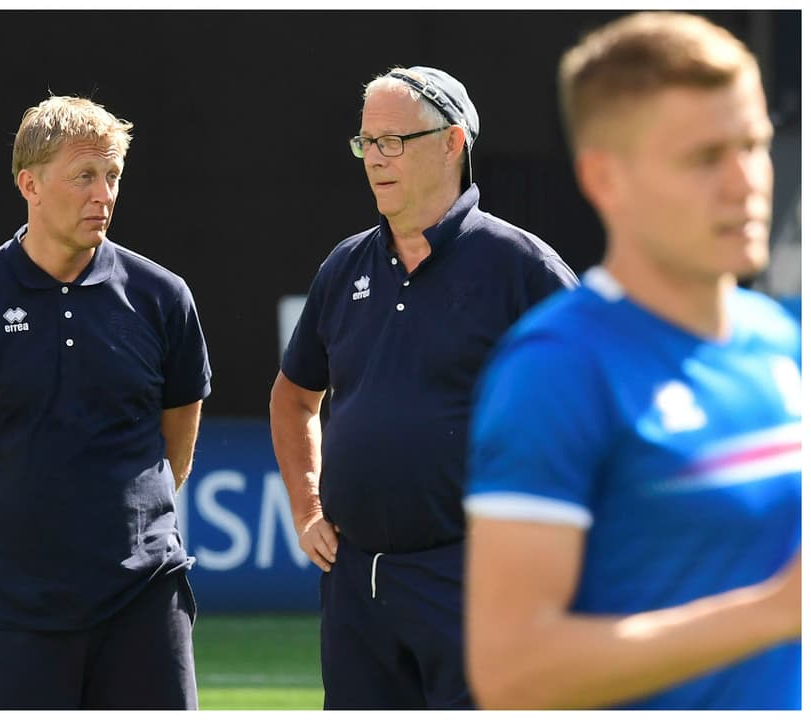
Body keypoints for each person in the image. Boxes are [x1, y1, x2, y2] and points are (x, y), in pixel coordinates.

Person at [463, 11, 801, 710]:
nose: (746, 182)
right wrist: (775, 610)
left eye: (755, 145)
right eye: (705, 158)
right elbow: (511, 676)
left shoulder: (781, 337)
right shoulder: (555, 370)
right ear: (604, 180)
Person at [270, 66, 577, 710]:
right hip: (354, 583)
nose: (376, 160)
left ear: (452, 142)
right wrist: (305, 509)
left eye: (395, 141)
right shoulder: (345, 264)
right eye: (366, 143)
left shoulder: (523, 268)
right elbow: (295, 395)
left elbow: (590, 412)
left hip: (475, 579)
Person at [0, 95, 211, 710]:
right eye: (84, 176)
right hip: (9, 611)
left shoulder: (163, 297)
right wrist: (26, 523)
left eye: (113, 176)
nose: (104, 194)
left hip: (145, 601)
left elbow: (174, 453)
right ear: (29, 184)